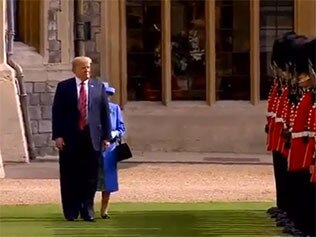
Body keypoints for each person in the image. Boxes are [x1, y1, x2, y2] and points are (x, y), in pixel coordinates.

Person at [52, 56, 112, 222]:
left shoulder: (98, 87)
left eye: (89, 67)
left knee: (90, 176)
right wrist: (58, 136)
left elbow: (104, 114)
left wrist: (106, 137)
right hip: (70, 139)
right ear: (75, 70)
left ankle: (88, 209)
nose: (87, 70)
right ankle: (71, 210)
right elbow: (57, 113)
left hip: (92, 138)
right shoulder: (64, 88)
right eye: (84, 68)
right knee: (70, 175)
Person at [97, 85, 126, 219]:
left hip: (110, 149)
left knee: (108, 181)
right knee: (92, 179)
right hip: (95, 147)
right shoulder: (93, 109)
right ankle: (88, 209)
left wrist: (114, 133)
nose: (106, 98)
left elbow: (121, 127)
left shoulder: (115, 108)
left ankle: (104, 210)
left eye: (108, 95)